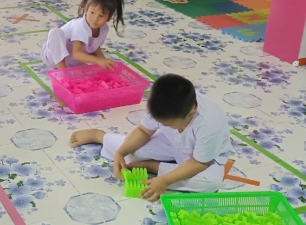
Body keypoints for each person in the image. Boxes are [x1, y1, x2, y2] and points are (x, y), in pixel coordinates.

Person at [70, 74, 232, 201]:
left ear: (191, 113)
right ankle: (100, 136)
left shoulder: (210, 124)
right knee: (129, 153)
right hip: (171, 142)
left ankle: (151, 166)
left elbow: (199, 163)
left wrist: (165, 180)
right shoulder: (162, 103)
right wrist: (121, 152)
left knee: (210, 183)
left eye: (168, 124)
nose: (162, 125)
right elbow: (144, 131)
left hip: (204, 158)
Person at [41, 0, 124, 70]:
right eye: (92, 12)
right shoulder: (80, 26)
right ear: (86, 10)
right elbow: (76, 53)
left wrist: (103, 61)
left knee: (106, 61)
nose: (95, 19)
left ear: (108, 18)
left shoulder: (104, 28)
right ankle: (63, 71)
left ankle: (69, 69)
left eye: (101, 16)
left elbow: (95, 47)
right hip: (53, 57)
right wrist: (98, 61)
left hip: (71, 61)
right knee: (55, 32)